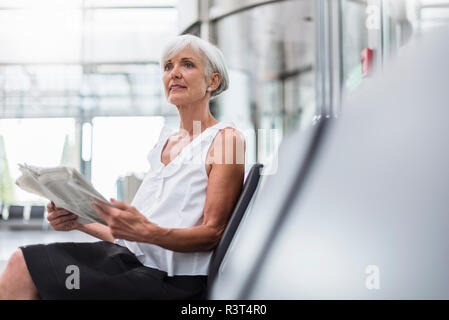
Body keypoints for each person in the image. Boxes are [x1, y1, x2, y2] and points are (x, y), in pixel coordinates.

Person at [0, 34, 246, 300]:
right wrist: (78, 221)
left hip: (170, 282)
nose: (174, 73)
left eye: (187, 65)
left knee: (23, 266)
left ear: (213, 80)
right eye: (167, 67)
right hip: (130, 265)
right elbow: (134, 238)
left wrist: (147, 231)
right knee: (23, 266)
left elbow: (213, 233)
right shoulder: (166, 141)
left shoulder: (227, 139)